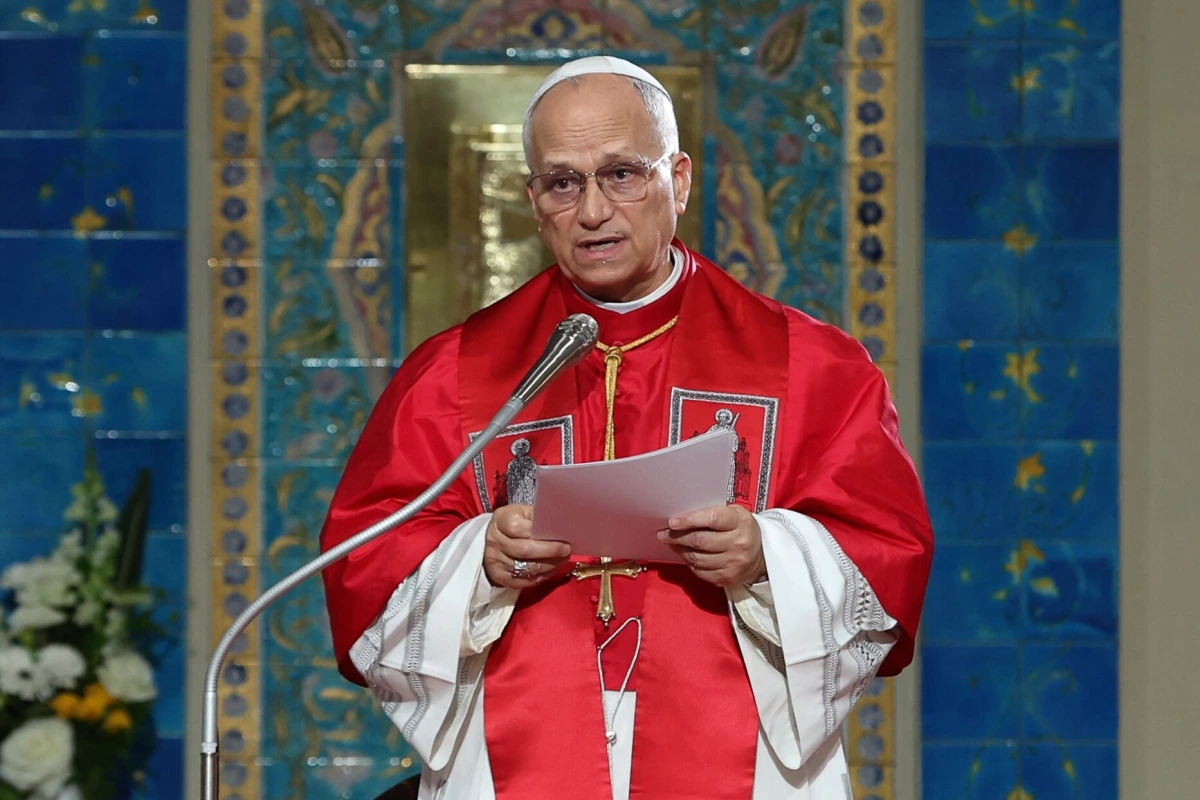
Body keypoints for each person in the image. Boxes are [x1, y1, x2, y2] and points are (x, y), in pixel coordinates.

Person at [319, 56, 934, 800]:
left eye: (621, 174)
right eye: (562, 182)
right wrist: (478, 558)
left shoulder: (811, 366)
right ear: (532, 200)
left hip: (741, 752)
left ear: (677, 180)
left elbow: (890, 562)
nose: (593, 211)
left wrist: (766, 555)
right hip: (519, 744)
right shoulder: (451, 373)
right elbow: (366, 567)